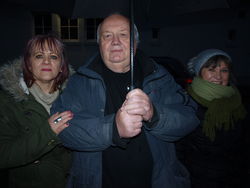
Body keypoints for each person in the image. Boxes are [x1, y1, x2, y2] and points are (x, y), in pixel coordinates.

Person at [51, 13, 199, 188]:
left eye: (123, 34)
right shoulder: (81, 82)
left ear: (135, 43)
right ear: (99, 44)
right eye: (107, 36)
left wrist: (155, 114)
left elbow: (190, 116)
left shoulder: (159, 77)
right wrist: (113, 129)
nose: (115, 41)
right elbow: (63, 130)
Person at [0, 34, 74, 188]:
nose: (46, 61)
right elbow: (3, 154)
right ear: (28, 64)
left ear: (61, 66)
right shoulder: (8, 101)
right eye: (39, 56)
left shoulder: (76, 96)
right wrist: (48, 132)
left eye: (53, 56)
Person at [176, 49, 248, 188]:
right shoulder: (186, 102)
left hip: (235, 178)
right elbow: (178, 151)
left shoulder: (238, 102)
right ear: (199, 73)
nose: (218, 76)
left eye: (224, 70)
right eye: (211, 69)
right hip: (198, 180)